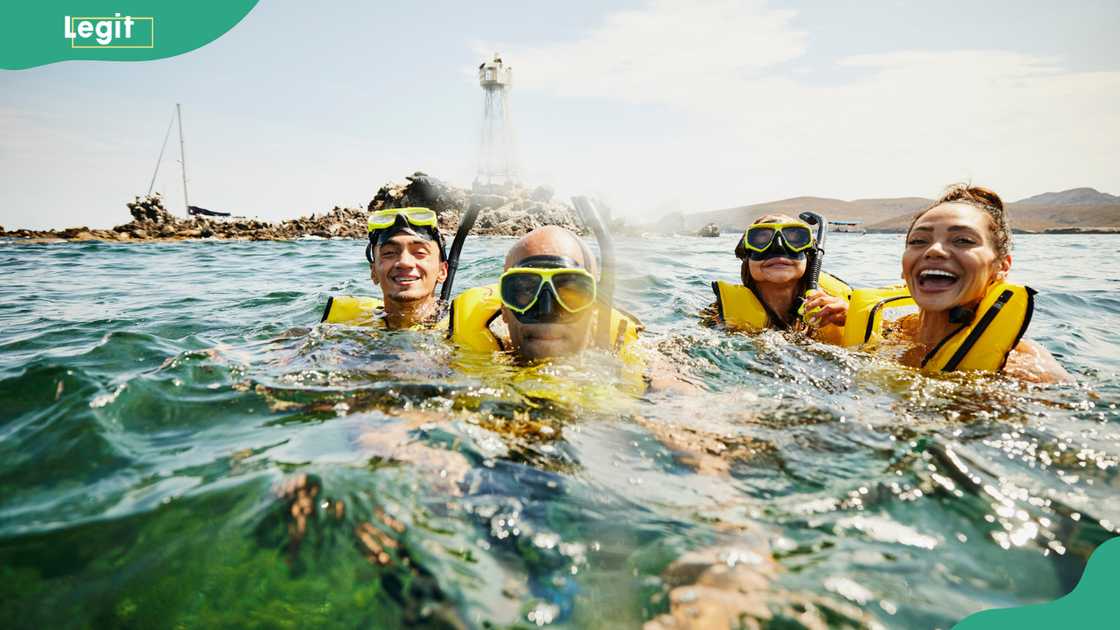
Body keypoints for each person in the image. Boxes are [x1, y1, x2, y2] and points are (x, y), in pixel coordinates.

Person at [856, 184, 1069, 382]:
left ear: (1002, 267)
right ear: (904, 269)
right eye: (918, 241)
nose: (934, 250)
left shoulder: (1027, 370)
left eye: (963, 240)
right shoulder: (885, 332)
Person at [448, 225, 642, 362]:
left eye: (569, 292)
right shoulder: (451, 359)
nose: (546, 311)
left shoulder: (643, 366)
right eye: (526, 290)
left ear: (594, 307)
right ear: (504, 308)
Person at [708, 214, 850, 344]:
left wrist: (852, 321)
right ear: (746, 257)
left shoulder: (840, 310)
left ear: (809, 256)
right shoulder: (719, 313)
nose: (779, 248)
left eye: (794, 239)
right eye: (761, 239)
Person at [320, 207, 448, 329]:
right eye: (389, 253)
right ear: (373, 272)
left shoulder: (456, 325)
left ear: (442, 271)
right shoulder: (344, 328)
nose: (404, 262)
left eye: (420, 252)